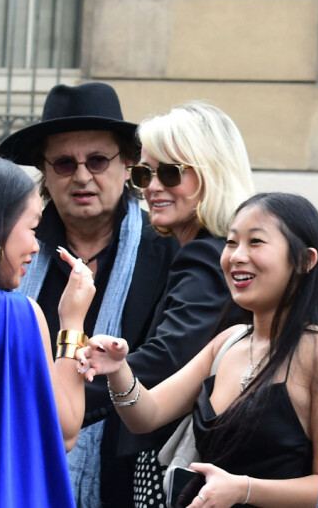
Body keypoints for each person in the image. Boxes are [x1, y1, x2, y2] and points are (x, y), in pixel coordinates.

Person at [76, 192, 318, 508]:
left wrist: (243, 489)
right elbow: (146, 416)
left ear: (304, 261)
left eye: (256, 242)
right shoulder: (228, 343)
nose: (236, 256)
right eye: (231, 242)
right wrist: (118, 370)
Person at [0, 82, 178, 508]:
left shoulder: (168, 250)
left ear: (128, 163)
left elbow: (169, 359)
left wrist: (63, 400)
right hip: (20, 469)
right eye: (63, 163)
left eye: (97, 160)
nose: (81, 176)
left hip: (134, 477)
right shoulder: (10, 252)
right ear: (43, 169)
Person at [0, 150, 95, 506]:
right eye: (31, 228)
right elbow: (65, 431)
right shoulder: (16, 317)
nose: (35, 245)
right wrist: (72, 322)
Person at [124, 101, 255, 507]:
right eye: (144, 173)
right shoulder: (200, 250)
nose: (153, 187)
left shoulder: (206, 256)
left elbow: (168, 358)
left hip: (191, 470)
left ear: (210, 174)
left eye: (169, 172)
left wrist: (66, 394)